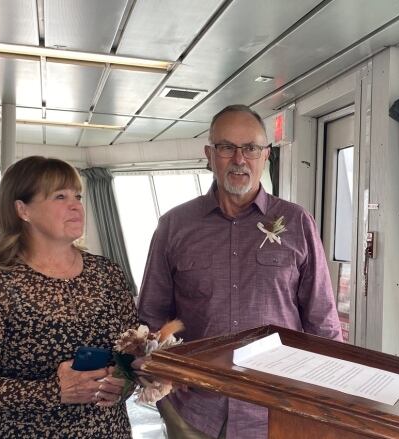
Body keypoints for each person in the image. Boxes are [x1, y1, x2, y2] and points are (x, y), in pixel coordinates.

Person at [138, 104, 342, 438]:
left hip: (277, 413)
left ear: (266, 155)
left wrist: (328, 405)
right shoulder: (174, 226)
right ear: (209, 154)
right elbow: (151, 319)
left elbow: (322, 321)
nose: (239, 159)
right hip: (194, 412)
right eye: (226, 147)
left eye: (250, 148)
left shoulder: (297, 222)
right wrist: (160, 381)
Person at [0, 156, 137, 438]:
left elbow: (131, 355)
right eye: (59, 196)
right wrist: (53, 390)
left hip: (108, 430)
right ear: (22, 209)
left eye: (77, 195)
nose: (76, 205)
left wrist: (125, 382)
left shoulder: (107, 273)